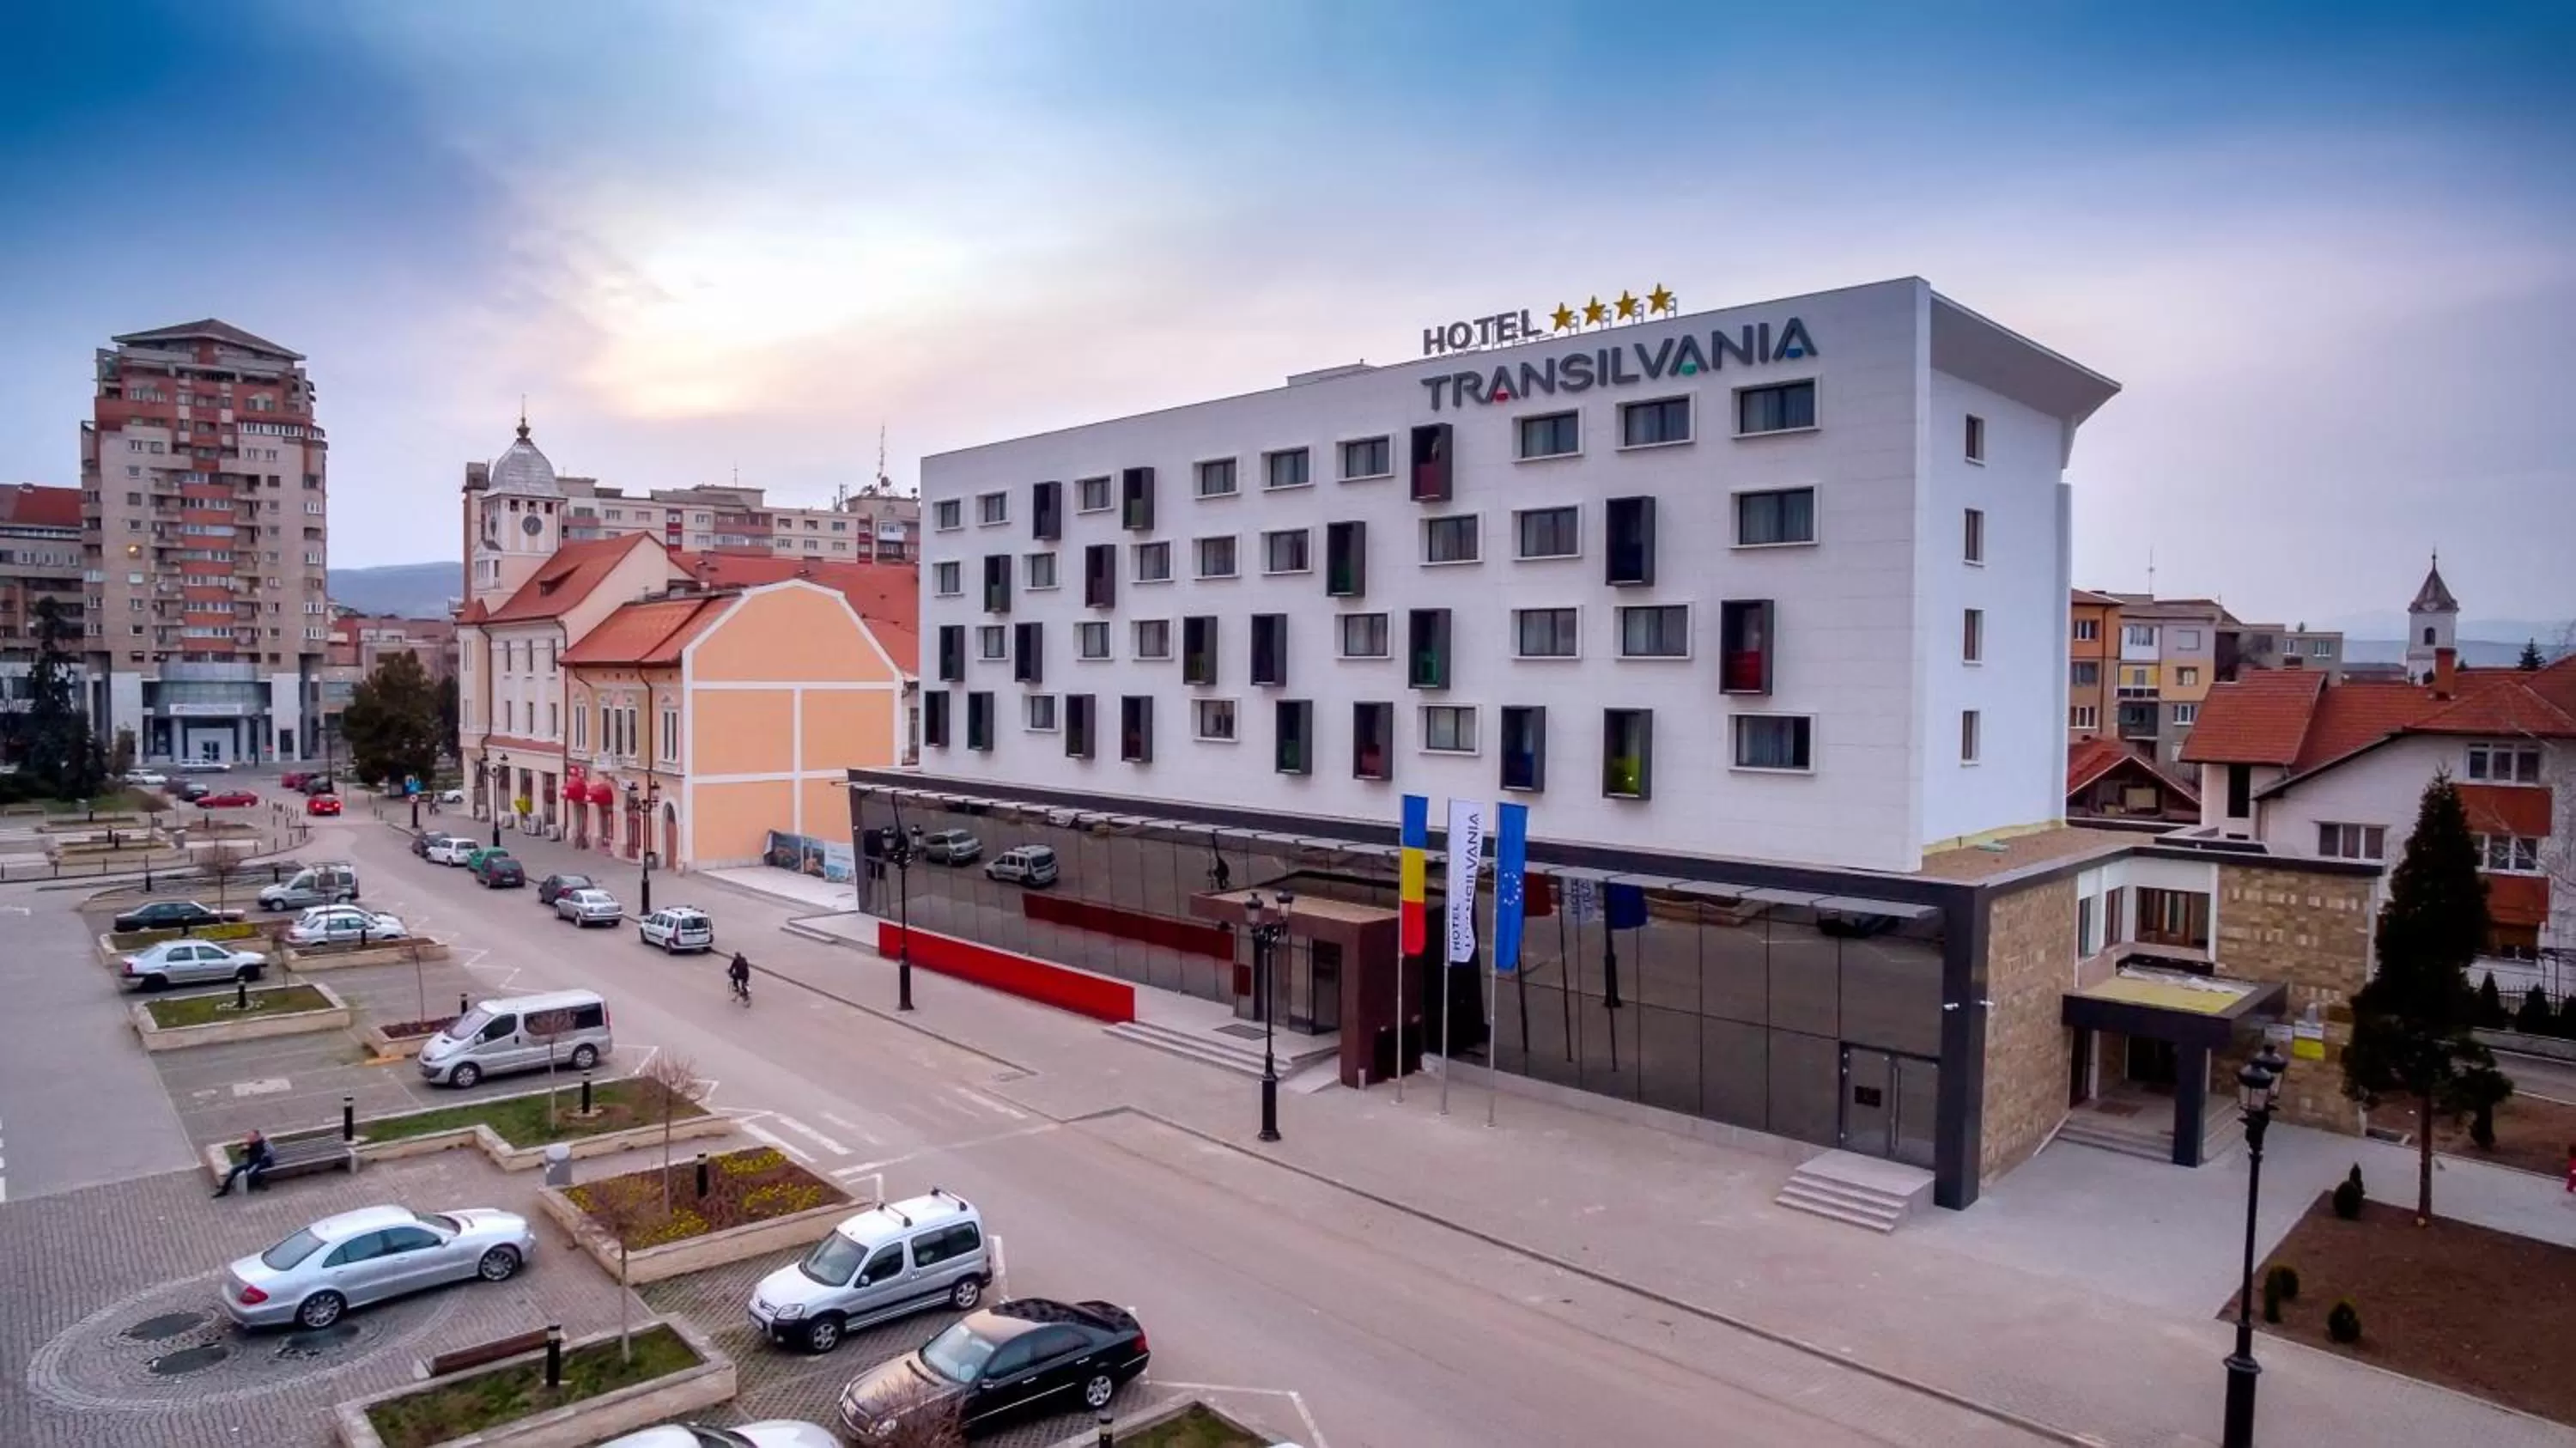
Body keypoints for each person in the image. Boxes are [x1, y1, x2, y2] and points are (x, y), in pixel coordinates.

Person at [212, 1130, 274, 1198]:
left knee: (249, 1174)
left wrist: (267, 1143)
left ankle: (261, 1179)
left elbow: (272, 1152)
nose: (248, 1139)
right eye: (248, 1137)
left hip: (261, 1163)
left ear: (256, 1137)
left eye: (250, 1137)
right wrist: (242, 1150)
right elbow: (242, 1153)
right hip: (251, 1163)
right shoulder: (251, 1144)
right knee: (234, 1170)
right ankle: (224, 1190)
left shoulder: (264, 1143)